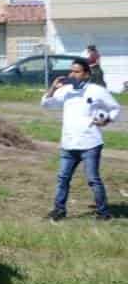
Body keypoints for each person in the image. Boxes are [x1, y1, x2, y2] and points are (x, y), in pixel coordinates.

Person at [41, 57, 121, 222]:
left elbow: (115, 108)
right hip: (68, 144)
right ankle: (59, 210)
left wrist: (106, 120)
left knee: (93, 179)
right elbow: (46, 104)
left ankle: (103, 213)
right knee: (63, 179)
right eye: (71, 71)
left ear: (86, 74)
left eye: (76, 71)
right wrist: (52, 88)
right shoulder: (65, 90)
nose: (72, 74)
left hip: (90, 143)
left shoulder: (96, 90)